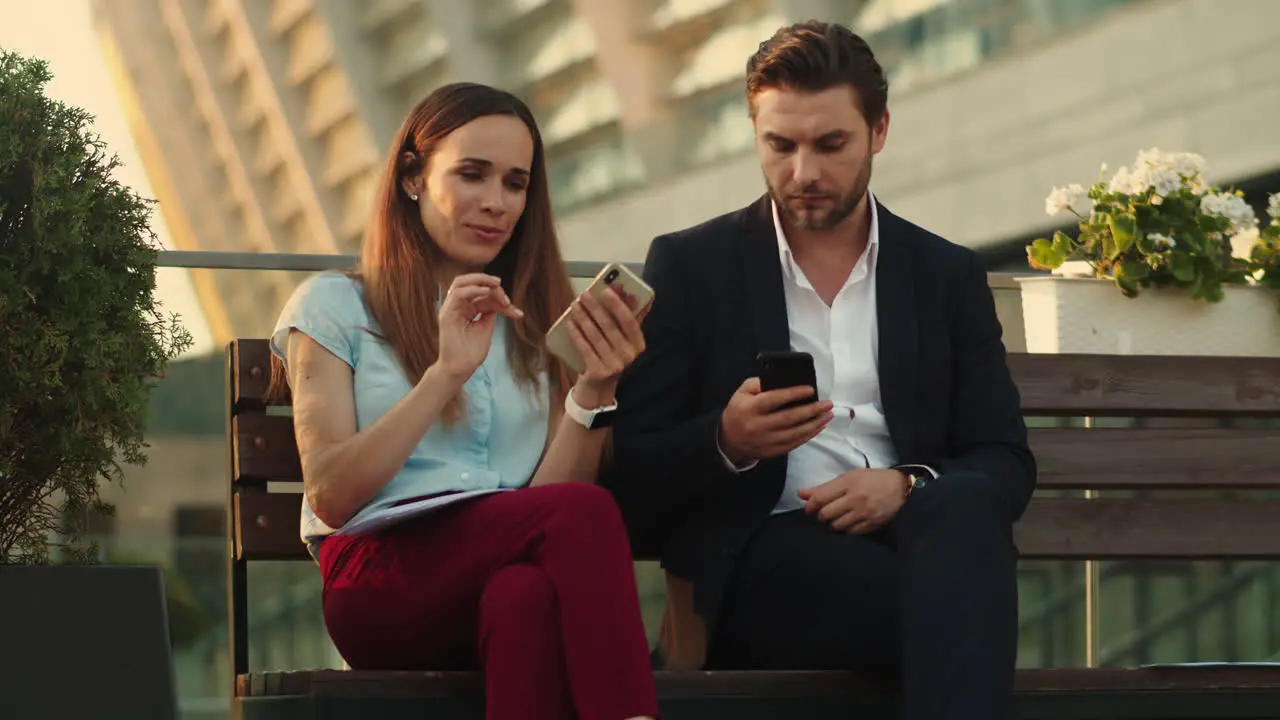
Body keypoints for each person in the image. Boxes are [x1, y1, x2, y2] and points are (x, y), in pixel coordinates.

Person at [605, 20, 1036, 720]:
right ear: (755, 134)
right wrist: (726, 440)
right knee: (958, 596)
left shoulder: (943, 273)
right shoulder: (692, 266)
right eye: (780, 145)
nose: (803, 172)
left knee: (958, 509)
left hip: (920, 539)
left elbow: (1006, 461)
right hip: (764, 557)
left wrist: (903, 484)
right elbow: (632, 473)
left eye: (830, 144)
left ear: (880, 131)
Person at [270, 82, 659, 720]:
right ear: (413, 178)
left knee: (523, 596)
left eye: (515, 182)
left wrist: (593, 388)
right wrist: (445, 374)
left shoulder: (535, 327)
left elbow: (543, 507)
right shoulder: (335, 307)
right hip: (379, 580)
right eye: (472, 174)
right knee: (580, 514)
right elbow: (332, 496)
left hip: (491, 574)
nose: (496, 202)